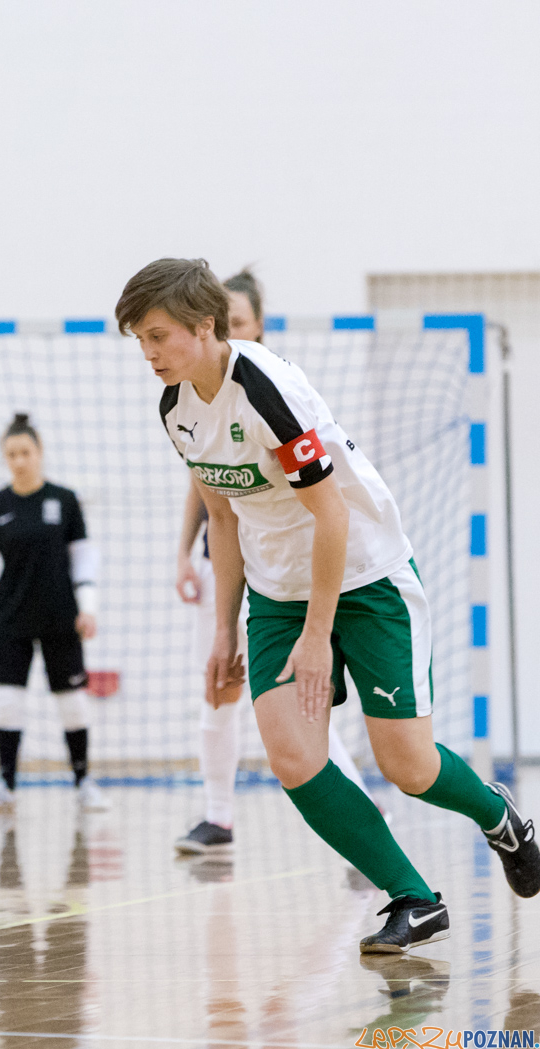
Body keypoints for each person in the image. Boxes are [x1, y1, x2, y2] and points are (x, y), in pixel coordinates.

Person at [117, 257, 540, 952]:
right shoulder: (176, 410)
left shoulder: (265, 389)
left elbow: (332, 515)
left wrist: (319, 635)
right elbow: (222, 520)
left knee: (408, 765)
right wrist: (224, 629)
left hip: (366, 575)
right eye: (140, 340)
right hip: (278, 589)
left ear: (203, 326)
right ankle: (412, 896)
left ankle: (499, 816)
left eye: (158, 335)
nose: (149, 352)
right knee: (293, 756)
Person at [172, 269, 381, 856]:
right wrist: (183, 555)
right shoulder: (189, 405)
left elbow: (323, 495)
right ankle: (217, 816)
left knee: (304, 701)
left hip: (296, 568)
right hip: (232, 562)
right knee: (220, 684)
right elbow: (206, 491)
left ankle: (363, 818)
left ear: (251, 325)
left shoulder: (274, 388)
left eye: (237, 323)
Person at [0, 414, 108, 814]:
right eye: (11, 454)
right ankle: (5, 786)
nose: (19, 460)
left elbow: (83, 558)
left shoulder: (64, 499)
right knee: (7, 703)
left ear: (39, 453)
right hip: (10, 620)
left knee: (72, 703)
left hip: (62, 618)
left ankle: (83, 783)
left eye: (25, 452)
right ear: (4, 458)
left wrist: (88, 608)